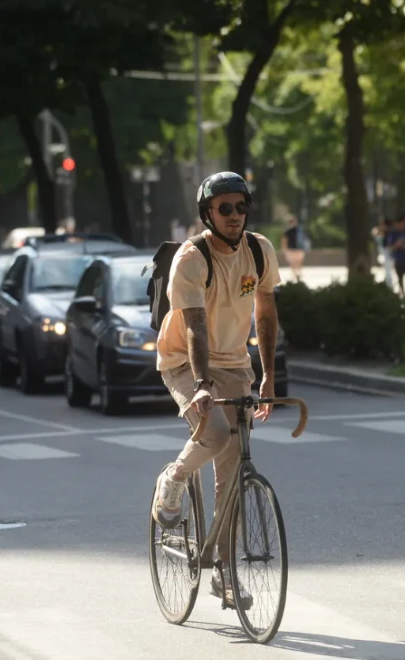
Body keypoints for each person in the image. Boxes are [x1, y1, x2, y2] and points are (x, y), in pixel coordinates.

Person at [151, 171, 282, 611]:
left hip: (236, 364)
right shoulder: (192, 257)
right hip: (185, 362)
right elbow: (195, 328)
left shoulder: (260, 251)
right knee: (217, 434)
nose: (233, 215)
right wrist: (202, 386)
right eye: (224, 208)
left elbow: (264, 314)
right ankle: (173, 479)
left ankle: (225, 573)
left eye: (240, 207)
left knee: (233, 478)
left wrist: (267, 374)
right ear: (207, 213)